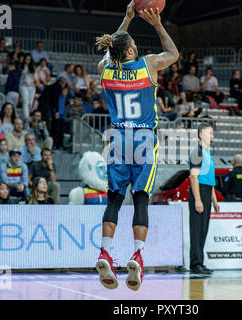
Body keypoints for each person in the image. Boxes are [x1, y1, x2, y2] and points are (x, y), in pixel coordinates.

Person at [94, 2, 179, 291]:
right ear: (130, 51)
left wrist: (127, 19)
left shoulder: (106, 70)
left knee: (114, 199)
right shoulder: (149, 64)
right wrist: (156, 24)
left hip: (117, 139)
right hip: (143, 139)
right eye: (132, 43)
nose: (135, 44)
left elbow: (110, 53)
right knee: (141, 198)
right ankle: (138, 256)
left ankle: (105, 251)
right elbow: (174, 54)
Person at [188, 123, 220, 274]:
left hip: (207, 192)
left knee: (203, 231)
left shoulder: (209, 155)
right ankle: (195, 264)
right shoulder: (197, 152)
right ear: (201, 134)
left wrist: (214, 200)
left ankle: (200, 262)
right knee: (197, 230)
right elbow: (194, 177)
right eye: (210, 133)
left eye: (213, 134)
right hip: (198, 191)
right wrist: (198, 199)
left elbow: (211, 180)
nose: (212, 136)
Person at [19, 54, 39, 122]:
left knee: (30, 103)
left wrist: (35, 84)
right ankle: (26, 117)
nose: (28, 61)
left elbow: (36, 78)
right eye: (26, 59)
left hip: (31, 87)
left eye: (29, 59)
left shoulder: (33, 67)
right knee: (25, 101)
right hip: (23, 86)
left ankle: (27, 115)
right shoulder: (21, 67)